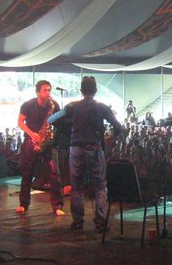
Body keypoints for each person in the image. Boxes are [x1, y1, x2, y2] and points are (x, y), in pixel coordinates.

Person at [48, 76, 124, 231]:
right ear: (95, 90)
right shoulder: (102, 107)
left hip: (76, 148)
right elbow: (118, 126)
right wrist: (111, 137)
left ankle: (78, 221)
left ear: (81, 91)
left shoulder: (72, 106)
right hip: (95, 148)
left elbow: (52, 119)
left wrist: (68, 131)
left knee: (76, 186)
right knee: (100, 186)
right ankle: (100, 221)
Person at [16, 80, 64, 215]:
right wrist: (32, 134)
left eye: (49, 90)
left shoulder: (53, 105)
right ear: (38, 92)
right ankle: (23, 204)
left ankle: (57, 206)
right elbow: (20, 122)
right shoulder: (28, 105)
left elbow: (59, 122)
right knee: (27, 173)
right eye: (45, 90)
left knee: (54, 174)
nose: (48, 93)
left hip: (47, 143)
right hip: (31, 141)